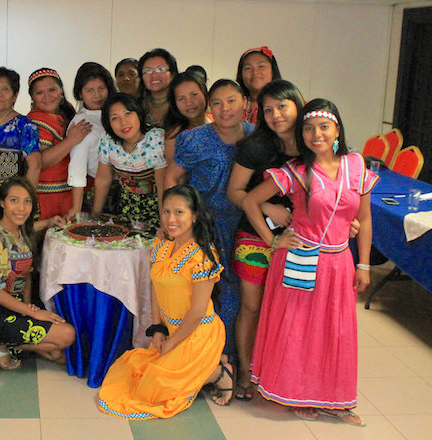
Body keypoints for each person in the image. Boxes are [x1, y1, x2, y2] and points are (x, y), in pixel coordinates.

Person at [242, 99, 375, 426]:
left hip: (339, 262)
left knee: (334, 331)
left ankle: (334, 398)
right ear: (302, 134)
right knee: (300, 331)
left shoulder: (356, 166)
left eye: (324, 127)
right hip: (300, 258)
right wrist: (273, 240)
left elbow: (365, 220)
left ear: (337, 130)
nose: (317, 134)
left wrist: (365, 265)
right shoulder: (297, 171)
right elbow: (250, 200)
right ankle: (295, 393)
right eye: (309, 128)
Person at [98, 185, 233, 419]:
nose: (171, 219)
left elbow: (198, 311)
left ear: (195, 215)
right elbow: (155, 285)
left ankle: (220, 372)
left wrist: (173, 343)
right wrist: (158, 328)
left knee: (154, 387)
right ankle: (206, 366)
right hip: (170, 329)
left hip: (195, 333)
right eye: (166, 211)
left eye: (179, 212)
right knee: (133, 371)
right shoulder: (163, 245)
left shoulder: (203, 256)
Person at [165, 78, 254, 360]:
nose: (224, 108)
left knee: (241, 295)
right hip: (204, 226)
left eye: (231, 101)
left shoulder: (256, 136)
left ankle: (232, 358)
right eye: (217, 102)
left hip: (244, 225)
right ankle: (206, 360)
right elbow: (172, 176)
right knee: (206, 296)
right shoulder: (195, 139)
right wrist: (172, 220)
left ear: (245, 103)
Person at [225, 79, 303, 400]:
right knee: (252, 307)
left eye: (282, 106)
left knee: (289, 310)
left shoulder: (313, 144)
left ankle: (278, 372)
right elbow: (234, 192)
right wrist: (268, 207)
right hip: (255, 236)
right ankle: (245, 369)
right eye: (268, 110)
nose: (275, 115)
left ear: (298, 105)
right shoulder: (256, 146)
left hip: (300, 239)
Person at [0, 177, 75, 369]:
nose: (21, 208)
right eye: (14, 200)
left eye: (27, 201)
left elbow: (27, 273)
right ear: (2, 202)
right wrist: (33, 313)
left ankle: (8, 344)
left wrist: (29, 307)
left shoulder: (20, 233)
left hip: (18, 306)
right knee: (67, 335)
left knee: (58, 353)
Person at [93, 93, 166, 234]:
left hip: (157, 210)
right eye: (115, 118)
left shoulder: (155, 139)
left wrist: (165, 224)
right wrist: (94, 216)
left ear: (138, 114)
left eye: (128, 113)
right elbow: (103, 179)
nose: (123, 122)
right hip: (126, 211)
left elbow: (163, 186)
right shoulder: (108, 141)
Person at [27, 67, 91, 219]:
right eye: (39, 92)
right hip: (45, 199)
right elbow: (41, 161)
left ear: (61, 91)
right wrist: (71, 141)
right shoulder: (36, 120)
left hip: (69, 195)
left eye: (52, 90)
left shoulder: (66, 113)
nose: (47, 96)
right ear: (32, 98)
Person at [65, 62, 117, 221]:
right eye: (90, 90)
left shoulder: (114, 113)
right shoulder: (82, 123)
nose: (97, 95)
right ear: (80, 94)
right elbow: (77, 167)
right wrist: (76, 207)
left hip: (124, 186)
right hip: (97, 191)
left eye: (101, 88)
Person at [163, 72, 211, 163]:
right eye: (181, 98)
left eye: (194, 94)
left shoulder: (217, 120)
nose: (189, 103)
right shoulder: (175, 136)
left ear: (204, 93)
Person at [235, 46, 282, 124]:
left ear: (273, 71)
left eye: (261, 66)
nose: (255, 72)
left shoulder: (287, 103)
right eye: (248, 68)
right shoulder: (234, 105)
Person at [137, 48, 179, 127]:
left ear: (172, 74)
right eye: (148, 71)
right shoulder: (137, 105)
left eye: (160, 69)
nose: (154, 75)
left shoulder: (182, 102)